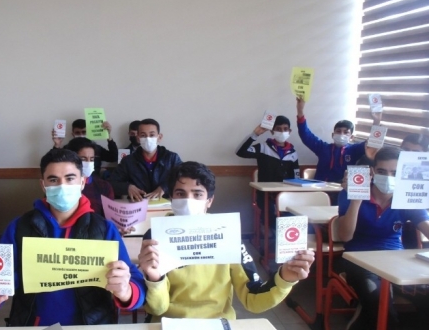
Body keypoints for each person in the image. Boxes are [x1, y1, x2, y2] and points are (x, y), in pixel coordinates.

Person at [0, 149, 146, 326]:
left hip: (91, 325)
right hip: (34, 325)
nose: (62, 186)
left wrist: (126, 291)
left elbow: (136, 285)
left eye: (70, 178)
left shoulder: (104, 229)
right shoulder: (19, 227)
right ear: (43, 185)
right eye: (53, 180)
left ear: (82, 182)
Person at [139, 162, 315, 321]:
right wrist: (155, 279)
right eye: (180, 194)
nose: (188, 201)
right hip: (167, 324)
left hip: (217, 323)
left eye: (197, 194)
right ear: (171, 198)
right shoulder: (155, 236)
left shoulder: (227, 234)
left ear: (209, 201)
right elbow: (158, 308)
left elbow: (252, 298)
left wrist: (284, 278)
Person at [337, 147, 429, 330]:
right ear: (372, 171)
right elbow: (345, 236)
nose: (388, 177)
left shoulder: (406, 197)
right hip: (359, 259)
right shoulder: (350, 192)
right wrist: (356, 198)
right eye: (382, 171)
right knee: (379, 302)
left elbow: (425, 225)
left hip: (395, 260)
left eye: (394, 173)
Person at [296, 97, 381, 183]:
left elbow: (372, 143)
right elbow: (305, 135)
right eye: (338, 131)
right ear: (333, 135)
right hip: (321, 188)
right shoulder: (323, 148)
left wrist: (377, 121)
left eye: (346, 132)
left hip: (343, 188)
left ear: (351, 137)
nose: (341, 134)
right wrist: (300, 111)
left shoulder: (354, 150)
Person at [236, 115, 300, 227]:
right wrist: (255, 134)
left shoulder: (293, 153)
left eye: (285, 129)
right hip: (265, 195)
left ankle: (285, 235)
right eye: (278, 129)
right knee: (270, 216)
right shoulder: (263, 148)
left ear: (289, 131)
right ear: (272, 131)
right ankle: (271, 233)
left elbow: (296, 178)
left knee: (293, 215)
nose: (282, 132)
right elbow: (240, 152)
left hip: (285, 194)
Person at [109, 118, 182, 201]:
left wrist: (164, 187)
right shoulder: (128, 161)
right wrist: (127, 187)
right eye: (143, 135)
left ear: (159, 137)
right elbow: (111, 183)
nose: (148, 139)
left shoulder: (172, 158)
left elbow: (183, 178)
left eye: (152, 135)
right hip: (138, 203)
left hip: (165, 203)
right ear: (138, 138)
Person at [64, 137, 114, 216]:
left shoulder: (104, 187)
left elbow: (110, 217)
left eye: (91, 159)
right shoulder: (61, 186)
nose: (88, 163)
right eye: (83, 159)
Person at [52, 118, 118, 175]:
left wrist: (108, 136)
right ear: (73, 134)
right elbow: (53, 162)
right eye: (77, 133)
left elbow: (113, 157)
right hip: (73, 181)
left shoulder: (96, 148)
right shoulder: (67, 149)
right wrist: (57, 144)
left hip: (94, 181)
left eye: (84, 132)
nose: (81, 135)